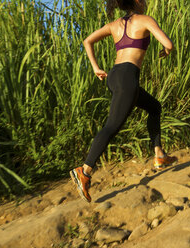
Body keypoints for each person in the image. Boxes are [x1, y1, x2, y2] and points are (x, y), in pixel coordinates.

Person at [70, 0, 177, 203]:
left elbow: (87, 41)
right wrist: (168, 50)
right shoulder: (145, 20)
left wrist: (95, 67)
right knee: (112, 126)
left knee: (154, 107)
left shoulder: (114, 25)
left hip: (114, 76)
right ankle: (84, 171)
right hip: (128, 77)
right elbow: (169, 43)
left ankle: (159, 154)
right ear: (136, 1)